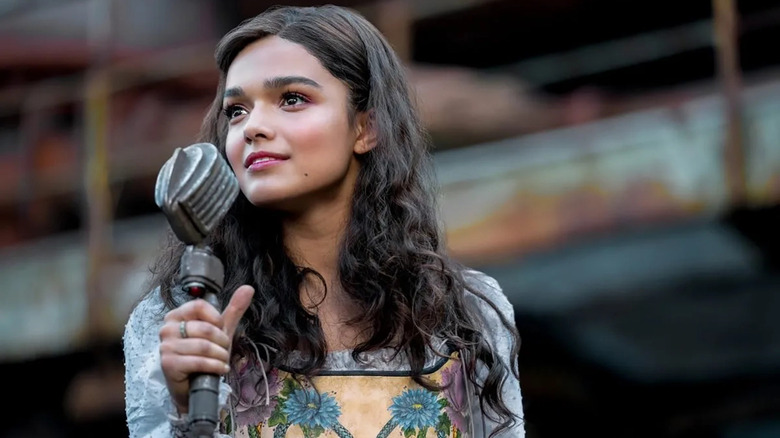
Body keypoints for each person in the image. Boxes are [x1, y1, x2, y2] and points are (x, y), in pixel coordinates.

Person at [123, 4, 524, 437]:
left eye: (292, 99)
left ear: (366, 127)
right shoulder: (179, 322)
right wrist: (188, 410)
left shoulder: (467, 315)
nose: (252, 126)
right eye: (236, 110)